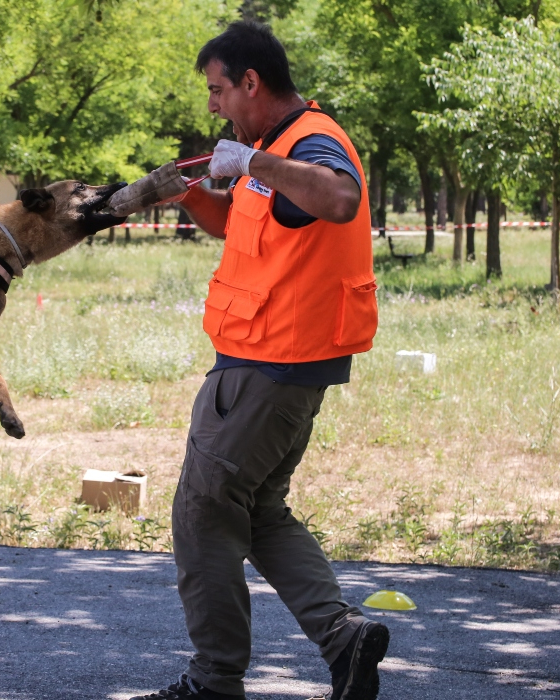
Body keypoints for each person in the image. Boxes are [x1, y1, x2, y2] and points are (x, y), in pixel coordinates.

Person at [130, 21, 386, 700]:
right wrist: (188, 193)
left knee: (203, 511)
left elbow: (337, 197)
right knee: (258, 509)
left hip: (267, 367)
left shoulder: (308, 142)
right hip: (280, 363)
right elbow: (243, 223)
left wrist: (251, 164)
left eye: (218, 90)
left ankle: (214, 681)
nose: (213, 105)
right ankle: (344, 637)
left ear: (251, 82)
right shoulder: (273, 149)